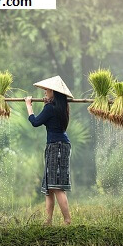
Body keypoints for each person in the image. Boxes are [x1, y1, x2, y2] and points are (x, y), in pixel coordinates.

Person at [24, 75, 74, 226]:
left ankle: (67, 220)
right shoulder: (60, 107)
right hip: (58, 145)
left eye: (47, 89)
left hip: (56, 146)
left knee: (56, 187)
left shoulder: (50, 108)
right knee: (49, 187)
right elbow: (49, 115)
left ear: (54, 92)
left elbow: (35, 122)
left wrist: (28, 105)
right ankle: (48, 221)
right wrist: (48, 103)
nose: (45, 91)